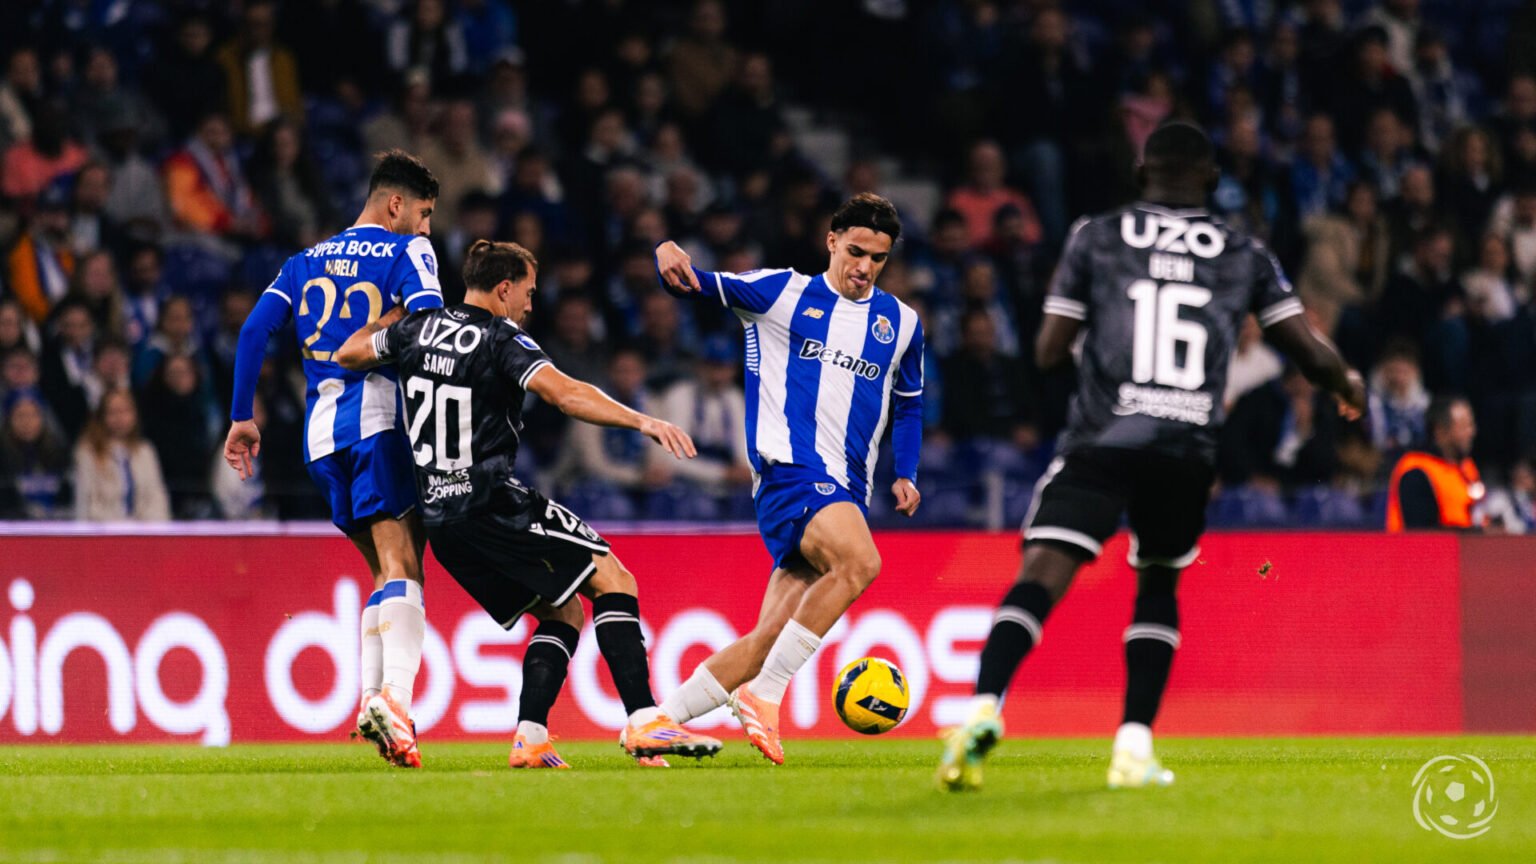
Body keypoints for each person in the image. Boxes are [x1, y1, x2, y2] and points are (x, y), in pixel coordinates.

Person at [937, 123, 1366, 792]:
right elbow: (1310, 352)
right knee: (1158, 581)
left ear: (1143, 176)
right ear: (1211, 182)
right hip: (1186, 447)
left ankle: (982, 709)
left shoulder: (1097, 235)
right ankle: (1133, 747)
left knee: (1044, 571)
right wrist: (1350, 383)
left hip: (1105, 437)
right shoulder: (1243, 252)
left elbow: (1049, 349)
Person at [335, 240, 721, 768]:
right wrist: (642, 420)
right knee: (615, 579)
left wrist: (397, 310)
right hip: (493, 503)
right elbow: (564, 393)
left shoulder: (415, 329)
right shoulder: (500, 337)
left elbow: (349, 352)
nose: (530, 305)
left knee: (562, 612)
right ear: (503, 288)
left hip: (441, 521)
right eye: (528, 293)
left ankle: (531, 736)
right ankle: (644, 718)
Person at [651, 193, 925, 765]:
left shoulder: (901, 323)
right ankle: (765, 695)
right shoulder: (781, 292)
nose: (864, 267)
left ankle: (655, 723)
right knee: (862, 563)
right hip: (790, 475)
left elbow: (910, 404)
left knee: (767, 639)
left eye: (878, 258)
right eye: (855, 252)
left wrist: (906, 472)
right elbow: (697, 282)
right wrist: (668, 252)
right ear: (831, 241)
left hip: (844, 490)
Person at [223, 151, 444, 768]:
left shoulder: (303, 261)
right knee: (406, 564)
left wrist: (243, 416)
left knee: (382, 571)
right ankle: (395, 701)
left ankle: (374, 701)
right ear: (396, 204)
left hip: (320, 440)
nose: (427, 229)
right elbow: (428, 323)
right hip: (378, 423)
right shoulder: (408, 254)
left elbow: (251, 332)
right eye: (423, 214)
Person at [1385, 395, 1484, 531]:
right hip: (1418, 551)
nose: (1471, 432)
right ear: (1440, 431)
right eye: (1463, 426)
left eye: (1471, 425)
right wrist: (1477, 533)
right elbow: (1422, 534)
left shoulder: (1467, 467)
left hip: (1467, 549)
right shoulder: (1416, 470)